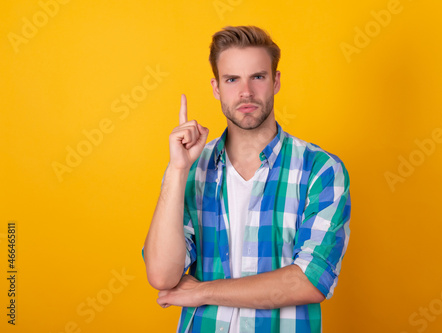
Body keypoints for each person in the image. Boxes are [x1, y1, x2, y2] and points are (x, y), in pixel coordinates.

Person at [142, 25, 351, 333]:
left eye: (258, 77)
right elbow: (162, 276)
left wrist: (202, 291)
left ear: (275, 81)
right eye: (232, 79)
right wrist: (176, 171)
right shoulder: (191, 168)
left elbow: (309, 281)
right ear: (216, 88)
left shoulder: (320, 169)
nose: (246, 93)